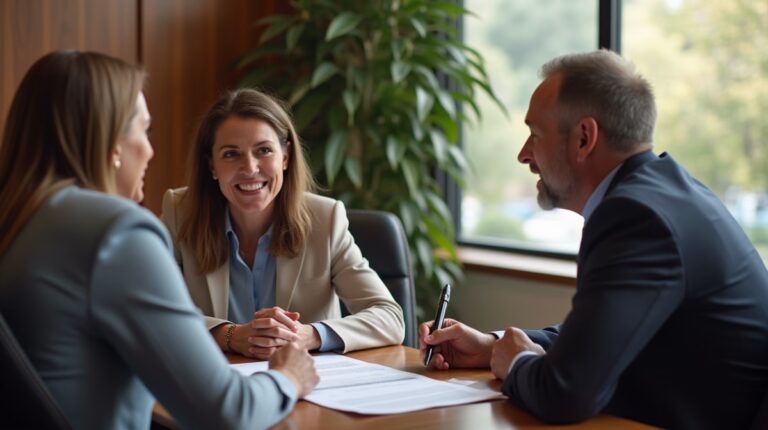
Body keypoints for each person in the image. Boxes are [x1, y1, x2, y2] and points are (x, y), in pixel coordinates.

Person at [419, 49, 768, 430]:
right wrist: (494, 346)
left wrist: (517, 363)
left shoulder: (637, 217)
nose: (524, 155)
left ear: (584, 138)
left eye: (535, 135)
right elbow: (597, 335)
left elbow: (565, 394)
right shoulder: (664, 193)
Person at [0, 51, 318, 430]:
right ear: (112, 143)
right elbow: (227, 412)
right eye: (144, 131)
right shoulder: (115, 232)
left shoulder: (20, 219)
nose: (150, 150)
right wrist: (288, 377)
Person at [160, 88, 404, 359]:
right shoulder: (180, 212)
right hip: (217, 386)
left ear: (285, 157)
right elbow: (153, 310)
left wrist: (308, 335)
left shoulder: (325, 219)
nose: (250, 168)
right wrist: (230, 335)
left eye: (263, 150)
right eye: (231, 154)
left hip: (308, 389)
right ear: (212, 166)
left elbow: (390, 317)